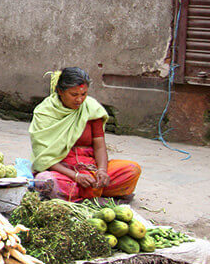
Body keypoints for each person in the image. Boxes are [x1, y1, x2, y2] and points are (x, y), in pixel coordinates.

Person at [29, 67, 141, 202]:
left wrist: (102, 171)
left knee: (132, 170)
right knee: (45, 181)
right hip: (62, 170)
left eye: (84, 94)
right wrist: (75, 176)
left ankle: (86, 190)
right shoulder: (44, 113)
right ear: (60, 91)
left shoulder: (91, 109)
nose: (80, 100)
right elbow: (44, 157)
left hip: (90, 168)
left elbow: (99, 146)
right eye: (74, 94)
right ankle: (94, 191)